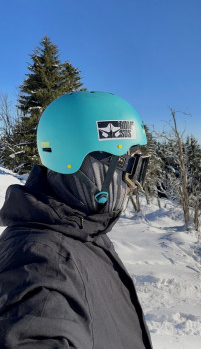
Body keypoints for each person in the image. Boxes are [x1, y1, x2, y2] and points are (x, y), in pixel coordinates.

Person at [0, 91, 153, 347]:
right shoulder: (40, 266)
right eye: (131, 167)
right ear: (88, 165)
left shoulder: (83, 230)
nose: (134, 184)